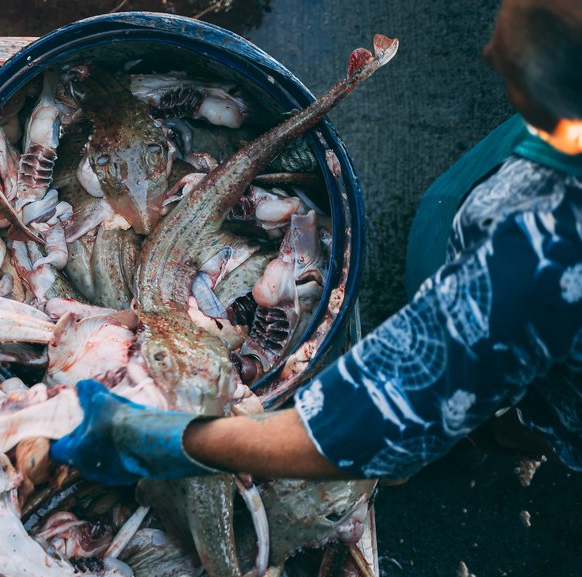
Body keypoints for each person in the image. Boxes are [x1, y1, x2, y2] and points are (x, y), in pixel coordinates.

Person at [51, 0, 582, 485]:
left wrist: (174, 441)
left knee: (518, 413)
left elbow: (376, 418)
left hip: (541, 354)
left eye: (518, 73)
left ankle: (499, 433)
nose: (487, 53)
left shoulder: (539, 248)